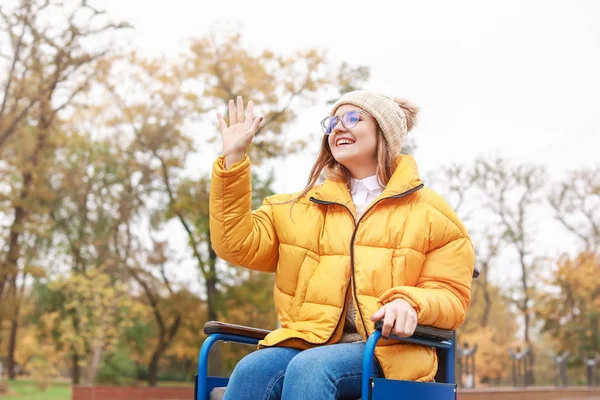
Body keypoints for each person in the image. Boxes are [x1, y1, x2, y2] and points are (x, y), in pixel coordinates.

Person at [209, 91, 475, 400]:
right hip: (311, 341)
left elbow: (451, 295)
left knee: (312, 368)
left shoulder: (431, 213)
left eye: (353, 118)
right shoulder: (299, 207)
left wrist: (409, 303)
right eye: (333, 121)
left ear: (384, 132)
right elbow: (234, 244)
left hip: (389, 350)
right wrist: (234, 159)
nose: (338, 128)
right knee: (252, 369)